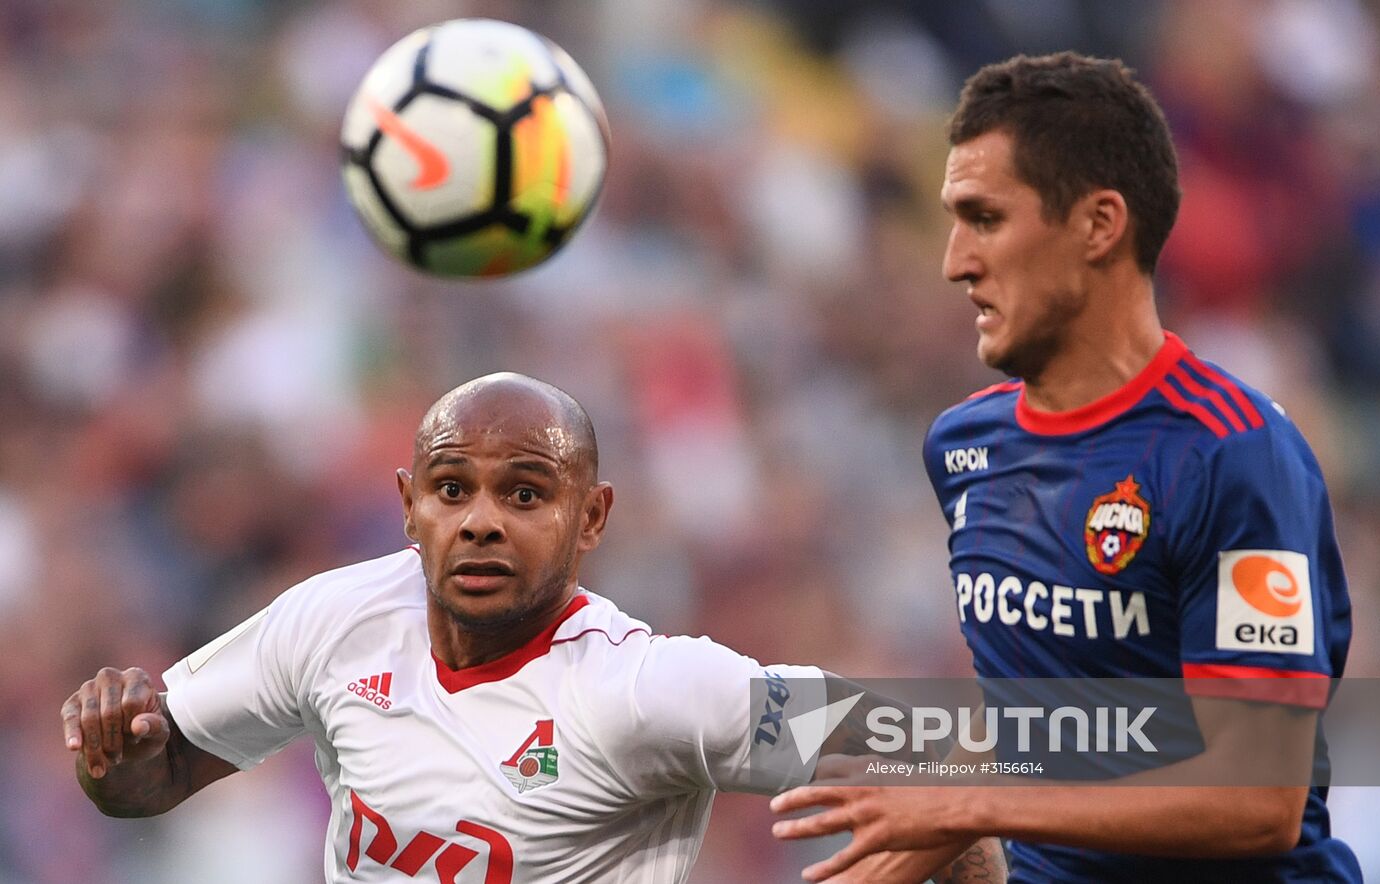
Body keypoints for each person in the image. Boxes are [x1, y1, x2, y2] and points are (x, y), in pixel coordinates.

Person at [770, 52, 1361, 883]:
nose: (954, 261)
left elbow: (1257, 802)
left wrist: (971, 802)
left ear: (1098, 225)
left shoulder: (1234, 455)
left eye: (984, 218)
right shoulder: (963, 449)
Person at [62, 372, 1003, 882]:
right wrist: (114, 756)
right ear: (408, 506)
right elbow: (161, 772)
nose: (480, 520)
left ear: (591, 518)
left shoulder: (647, 693)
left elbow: (950, 751)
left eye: (524, 493)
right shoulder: (335, 622)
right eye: (451, 489)